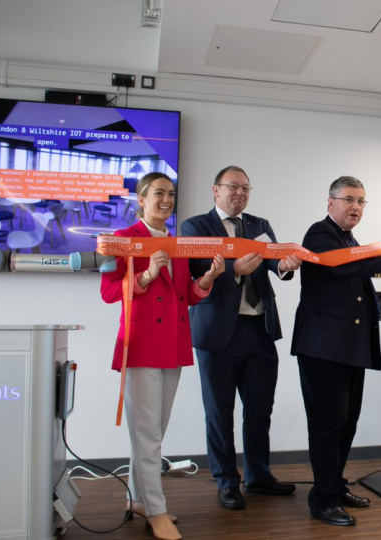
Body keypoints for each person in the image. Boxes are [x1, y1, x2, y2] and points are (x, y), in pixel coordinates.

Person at [101, 172, 225, 540]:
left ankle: (138, 499)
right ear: (141, 199)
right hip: (139, 343)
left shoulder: (179, 243)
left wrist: (208, 281)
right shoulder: (121, 240)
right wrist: (145, 276)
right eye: (159, 193)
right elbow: (109, 293)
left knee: (153, 432)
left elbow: (186, 292)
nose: (167, 200)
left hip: (172, 342)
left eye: (171, 194)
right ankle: (157, 511)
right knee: (147, 435)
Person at [292, 176, 381, 526]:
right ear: (330, 203)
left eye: (361, 201)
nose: (356, 207)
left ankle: (334, 485)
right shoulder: (319, 233)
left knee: (345, 424)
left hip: (348, 349)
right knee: (327, 425)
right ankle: (323, 500)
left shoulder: (350, 238)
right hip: (323, 348)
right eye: (349, 200)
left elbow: (353, 269)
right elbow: (340, 264)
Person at [181, 165, 302, 511]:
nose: (240, 194)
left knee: (260, 410)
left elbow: (273, 264)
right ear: (215, 190)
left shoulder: (259, 225)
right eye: (233, 187)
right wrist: (233, 270)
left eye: (246, 189)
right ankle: (226, 481)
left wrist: (284, 266)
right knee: (219, 413)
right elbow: (195, 274)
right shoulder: (196, 226)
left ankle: (259, 477)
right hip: (219, 333)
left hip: (260, 329)